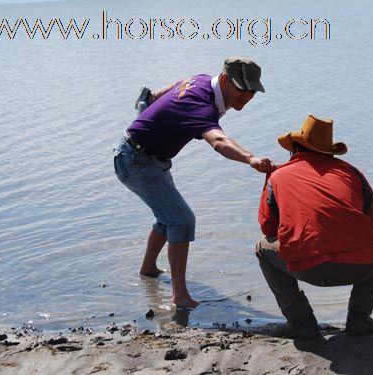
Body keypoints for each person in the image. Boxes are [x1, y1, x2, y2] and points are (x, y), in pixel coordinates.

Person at [114, 57, 275, 308]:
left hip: (144, 157)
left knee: (168, 216)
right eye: (242, 88)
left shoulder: (200, 81)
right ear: (224, 80)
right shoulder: (203, 108)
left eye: (253, 90)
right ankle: (180, 296)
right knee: (182, 219)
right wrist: (250, 159)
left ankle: (148, 268)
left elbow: (173, 87)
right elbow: (219, 142)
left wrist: (148, 100)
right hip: (136, 161)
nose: (247, 95)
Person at [256, 115, 373, 339]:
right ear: (329, 152)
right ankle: (359, 317)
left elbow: (267, 228)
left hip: (309, 269)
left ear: (296, 149)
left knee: (262, 248)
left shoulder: (277, 176)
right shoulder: (351, 173)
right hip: (360, 266)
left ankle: (300, 320)